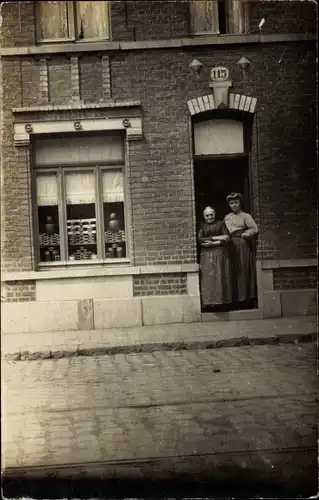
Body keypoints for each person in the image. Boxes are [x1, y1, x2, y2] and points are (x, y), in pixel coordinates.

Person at [224, 193, 259, 308]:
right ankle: (233, 300)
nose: (234, 205)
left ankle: (244, 300)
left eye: (236, 202)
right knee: (231, 271)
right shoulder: (227, 217)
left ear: (240, 203)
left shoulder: (246, 216)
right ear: (229, 205)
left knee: (242, 270)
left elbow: (254, 228)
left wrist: (245, 234)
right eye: (232, 203)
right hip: (230, 245)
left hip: (241, 244)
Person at [198, 206, 232, 311]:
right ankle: (209, 304)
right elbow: (200, 239)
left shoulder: (221, 224)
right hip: (206, 255)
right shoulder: (201, 225)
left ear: (214, 214)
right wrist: (216, 237)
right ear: (204, 216)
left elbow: (227, 238)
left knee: (220, 277)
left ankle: (221, 303)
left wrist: (213, 243)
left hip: (219, 254)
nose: (209, 217)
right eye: (207, 215)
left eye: (211, 214)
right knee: (208, 279)